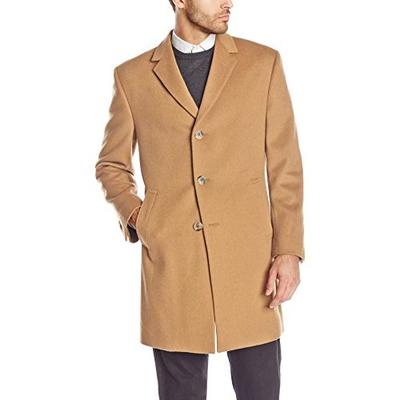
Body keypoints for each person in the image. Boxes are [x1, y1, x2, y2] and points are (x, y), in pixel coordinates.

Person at [95, 0, 305, 398]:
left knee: (260, 390)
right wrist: (140, 218)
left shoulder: (263, 64)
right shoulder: (132, 76)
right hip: (173, 267)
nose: (229, 2)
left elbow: (286, 168)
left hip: (252, 268)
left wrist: (288, 250)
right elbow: (111, 164)